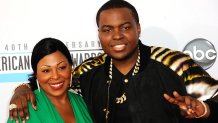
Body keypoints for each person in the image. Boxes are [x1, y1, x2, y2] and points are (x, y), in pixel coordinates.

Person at [9, 0, 218, 123]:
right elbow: (55, 83)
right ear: (99, 35)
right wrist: (21, 90)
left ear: (138, 28)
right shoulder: (88, 71)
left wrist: (203, 109)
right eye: (107, 30)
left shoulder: (174, 63)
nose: (116, 36)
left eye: (125, 27)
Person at [8, 38, 93, 123]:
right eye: (46, 70)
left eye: (62, 67)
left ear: (71, 67)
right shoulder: (24, 109)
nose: (55, 76)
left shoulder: (83, 102)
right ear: (36, 74)